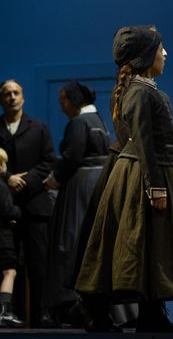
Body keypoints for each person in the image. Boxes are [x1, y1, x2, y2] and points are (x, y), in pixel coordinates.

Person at [75, 25, 173, 332]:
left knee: (154, 245)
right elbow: (144, 143)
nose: (165, 53)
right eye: (159, 48)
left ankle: (151, 313)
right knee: (143, 242)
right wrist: (155, 186)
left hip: (156, 172)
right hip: (144, 174)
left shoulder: (145, 90)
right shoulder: (140, 92)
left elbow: (166, 143)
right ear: (144, 55)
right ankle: (113, 311)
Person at [42, 81, 110, 325]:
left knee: (70, 239)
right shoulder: (99, 121)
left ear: (72, 101)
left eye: (63, 101)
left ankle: (70, 302)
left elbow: (72, 156)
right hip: (99, 183)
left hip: (81, 186)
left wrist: (55, 178)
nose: (61, 106)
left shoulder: (79, 123)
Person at [0, 79, 56, 327]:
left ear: (23, 97)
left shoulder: (39, 127)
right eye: (7, 93)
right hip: (4, 208)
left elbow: (49, 162)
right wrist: (8, 178)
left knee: (38, 263)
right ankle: (10, 314)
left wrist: (25, 180)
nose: (12, 97)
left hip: (35, 205)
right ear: (1, 99)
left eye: (16, 92)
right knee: (8, 263)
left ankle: (41, 313)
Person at [0, 147, 23, 327]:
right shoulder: (2, 187)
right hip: (3, 237)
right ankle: (4, 312)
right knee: (10, 272)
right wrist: (17, 213)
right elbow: (8, 210)